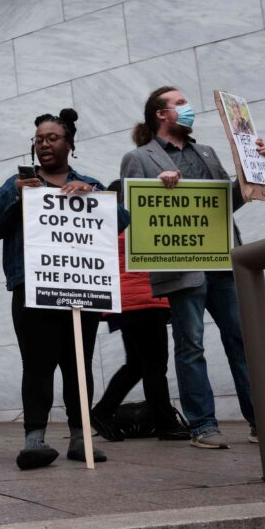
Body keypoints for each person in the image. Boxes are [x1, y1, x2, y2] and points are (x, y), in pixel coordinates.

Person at [120, 86, 265, 449]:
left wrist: (255, 169)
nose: (188, 108)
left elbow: (228, 202)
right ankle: (203, 426)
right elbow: (132, 210)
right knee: (190, 344)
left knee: (244, 341)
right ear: (161, 114)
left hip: (224, 260)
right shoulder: (139, 157)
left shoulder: (205, 152)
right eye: (180, 103)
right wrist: (158, 188)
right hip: (181, 265)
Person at [0, 108, 129, 470]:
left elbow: (121, 222)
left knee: (78, 363)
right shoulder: (19, 184)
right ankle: (35, 441)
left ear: (70, 143)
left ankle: (81, 439)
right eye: (39, 139)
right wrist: (15, 195)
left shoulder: (87, 182)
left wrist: (92, 197)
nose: (44, 144)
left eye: (52, 138)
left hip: (81, 286)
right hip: (32, 287)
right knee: (37, 363)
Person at [91, 181, 190, 442]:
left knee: (137, 364)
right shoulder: (134, 222)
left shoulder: (107, 225)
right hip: (144, 300)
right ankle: (165, 423)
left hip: (125, 304)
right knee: (155, 365)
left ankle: (102, 412)